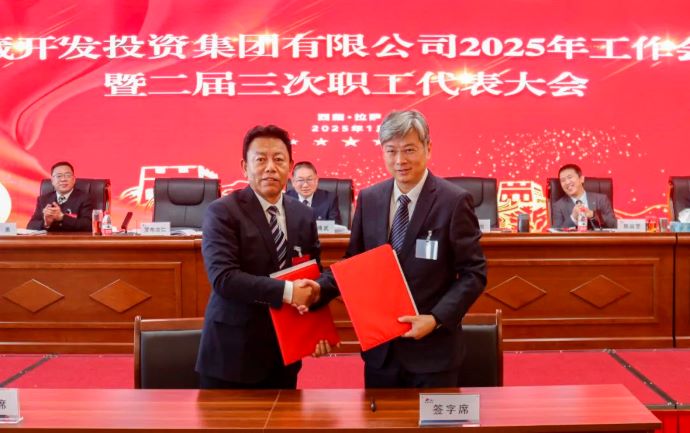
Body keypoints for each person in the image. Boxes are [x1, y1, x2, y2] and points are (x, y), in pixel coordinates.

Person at [315, 110, 487, 388]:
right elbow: (353, 262)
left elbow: (473, 273)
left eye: (409, 150)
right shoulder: (369, 199)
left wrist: (435, 319)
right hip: (381, 352)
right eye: (391, 150)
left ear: (428, 148)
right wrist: (316, 290)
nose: (399, 160)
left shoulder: (453, 201)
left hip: (432, 353)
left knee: (435, 418)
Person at [195, 124, 322, 389]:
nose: (270, 168)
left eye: (279, 159)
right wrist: (289, 292)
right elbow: (224, 278)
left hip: (285, 353)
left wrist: (316, 327)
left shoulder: (304, 215)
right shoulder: (222, 212)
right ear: (245, 167)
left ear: (290, 166)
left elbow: (312, 273)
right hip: (233, 354)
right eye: (260, 159)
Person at [27, 161, 93, 232]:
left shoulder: (85, 198)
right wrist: (46, 223)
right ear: (52, 181)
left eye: (67, 175)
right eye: (59, 176)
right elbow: (31, 226)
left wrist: (62, 217)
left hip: (73, 238)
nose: (63, 179)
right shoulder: (43, 199)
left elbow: (89, 225)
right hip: (50, 239)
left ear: (74, 179)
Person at [552, 163, 617, 229]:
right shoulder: (558, 206)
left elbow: (614, 225)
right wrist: (573, 218)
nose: (567, 182)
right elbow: (556, 231)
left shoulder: (601, 199)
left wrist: (593, 215)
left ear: (581, 179)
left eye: (570, 177)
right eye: (563, 180)